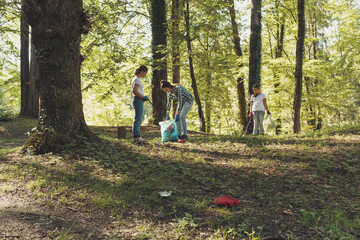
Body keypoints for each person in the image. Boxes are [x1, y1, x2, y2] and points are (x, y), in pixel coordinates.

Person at [131, 65, 149, 143]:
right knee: (138, 119)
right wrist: (143, 97)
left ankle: (137, 136)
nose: (145, 75)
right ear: (142, 71)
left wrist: (142, 97)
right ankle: (137, 137)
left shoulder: (135, 79)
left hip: (138, 99)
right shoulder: (137, 80)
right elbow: (134, 91)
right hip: (138, 99)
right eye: (145, 73)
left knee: (138, 118)